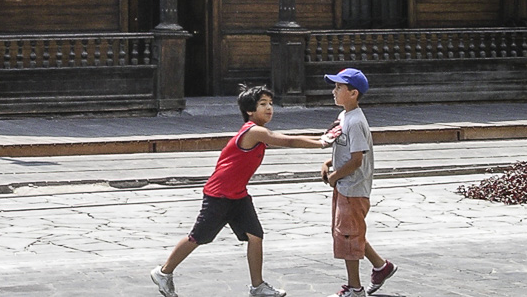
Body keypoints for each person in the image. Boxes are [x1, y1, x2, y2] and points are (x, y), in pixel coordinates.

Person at [150, 84, 331, 297]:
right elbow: (288, 141)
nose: (269, 108)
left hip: (238, 195)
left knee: (255, 236)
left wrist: (323, 140)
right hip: (219, 195)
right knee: (198, 236)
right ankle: (163, 272)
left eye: (271, 103)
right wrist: (322, 142)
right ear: (249, 111)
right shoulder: (255, 131)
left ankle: (258, 286)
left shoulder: (258, 131)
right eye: (263, 104)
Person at [320, 68, 396, 297]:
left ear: (353, 93)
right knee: (350, 233)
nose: (334, 92)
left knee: (348, 237)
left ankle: (355, 288)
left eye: (339, 87)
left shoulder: (354, 122)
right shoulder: (344, 117)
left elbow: (356, 159)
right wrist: (328, 163)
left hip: (352, 188)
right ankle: (381, 267)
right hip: (345, 186)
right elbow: (344, 151)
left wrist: (335, 176)